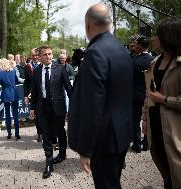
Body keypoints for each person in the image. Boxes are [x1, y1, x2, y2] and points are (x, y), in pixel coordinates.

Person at [68, 4, 133, 189]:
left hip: (104, 139)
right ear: (110, 23)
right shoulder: (119, 47)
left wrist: (85, 149)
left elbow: (93, 106)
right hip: (120, 134)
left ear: (88, 24)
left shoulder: (95, 53)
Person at [143, 17, 181, 189]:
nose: (152, 39)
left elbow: (158, 96)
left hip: (175, 130)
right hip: (155, 124)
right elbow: (148, 94)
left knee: (177, 170)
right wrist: (144, 119)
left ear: (167, 37)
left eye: (156, 35)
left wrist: (165, 99)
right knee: (164, 167)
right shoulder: (153, 63)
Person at [29, 45, 72, 179]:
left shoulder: (60, 68)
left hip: (58, 107)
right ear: (40, 57)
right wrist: (32, 107)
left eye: (50, 54)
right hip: (43, 107)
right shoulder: (36, 71)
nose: (48, 56)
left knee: (60, 131)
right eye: (45, 54)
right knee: (45, 134)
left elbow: (69, 88)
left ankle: (62, 154)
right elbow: (35, 91)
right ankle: (48, 163)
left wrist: (76, 106)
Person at [131, 36, 154, 153]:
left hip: (134, 95)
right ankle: (146, 143)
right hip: (149, 94)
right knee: (148, 119)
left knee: (135, 120)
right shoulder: (153, 59)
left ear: (139, 47)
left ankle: (137, 144)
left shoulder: (133, 61)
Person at [0, 58, 20, 140]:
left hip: (6, 93)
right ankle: (17, 134)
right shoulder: (13, 71)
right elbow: (16, 80)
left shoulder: (0, 73)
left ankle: (9, 134)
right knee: (15, 114)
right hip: (14, 92)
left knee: (7, 114)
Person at [24, 48, 42, 142]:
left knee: (44, 114)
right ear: (30, 56)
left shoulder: (43, 65)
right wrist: (25, 96)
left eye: (36, 55)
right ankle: (39, 133)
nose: (35, 57)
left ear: (39, 56)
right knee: (35, 115)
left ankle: (45, 132)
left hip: (42, 94)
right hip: (32, 95)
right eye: (33, 56)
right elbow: (26, 83)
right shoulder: (28, 66)